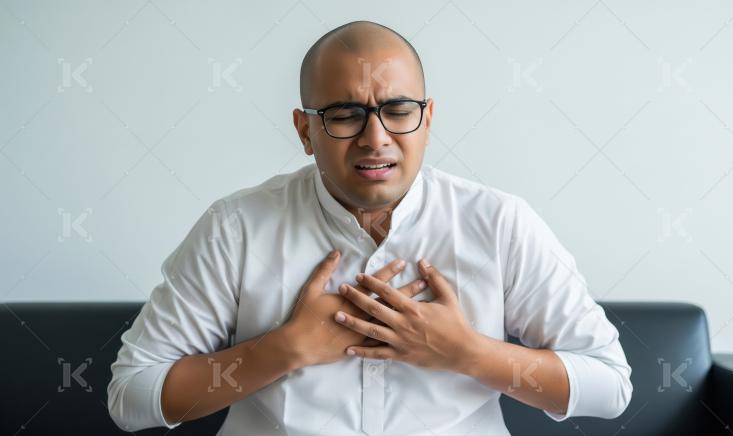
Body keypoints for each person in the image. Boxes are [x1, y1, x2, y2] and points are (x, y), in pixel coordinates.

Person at [108, 20, 632, 435]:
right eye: (344, 113)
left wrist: (468, 353)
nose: (375, 138)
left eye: (398, 110)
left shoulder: (500, 223)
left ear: (427, 120)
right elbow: (132, 397)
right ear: (304, 129)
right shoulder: (235, 228)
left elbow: (609, 387)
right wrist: (285, 349)